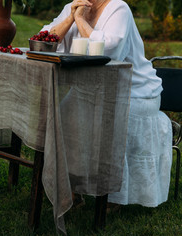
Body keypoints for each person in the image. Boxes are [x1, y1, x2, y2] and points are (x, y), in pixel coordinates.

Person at [40, 0, 173, 209]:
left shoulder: (119, 8)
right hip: (92, 89)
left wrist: (81, 20)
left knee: (105, 120)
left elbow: (108, 52)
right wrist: (70, 18)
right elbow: (44, 39)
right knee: (64, 114)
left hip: (134, 92)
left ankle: (112, 194)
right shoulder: (73, 7)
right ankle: (73, 190)